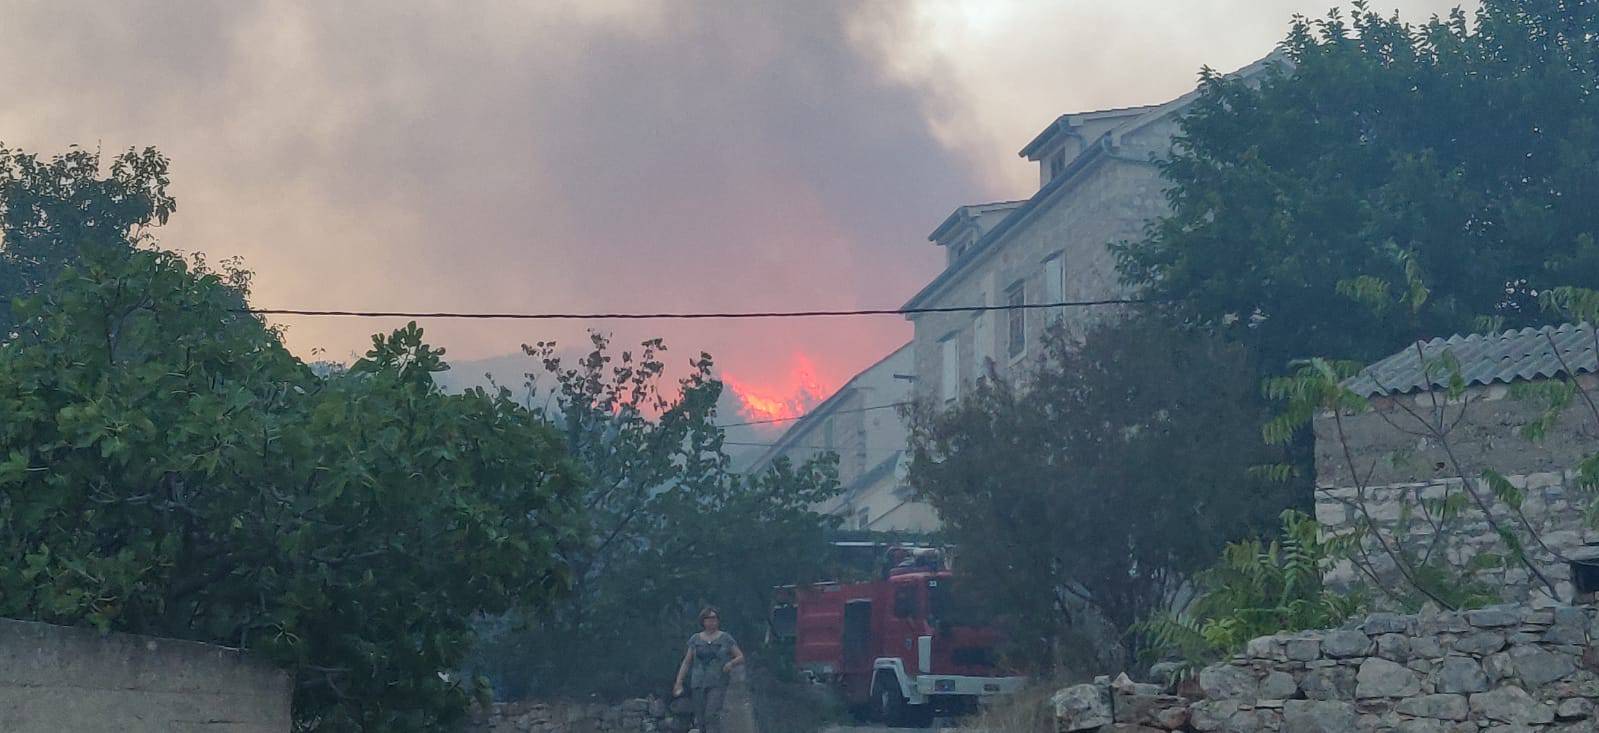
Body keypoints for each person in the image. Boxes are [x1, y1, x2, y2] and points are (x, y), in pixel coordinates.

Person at [672, 606, 744, 733]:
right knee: (700, 718)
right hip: (698, 683)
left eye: (714, 618)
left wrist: (731, 664)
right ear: (703, 621)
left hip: (717, 682)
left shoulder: (725, 638)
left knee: (711, 714)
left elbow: (740, 656)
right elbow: (687, 662)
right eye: (708, 619)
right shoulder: (695, 639)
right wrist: (679, 682)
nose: (711, 621)